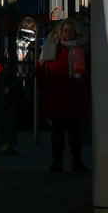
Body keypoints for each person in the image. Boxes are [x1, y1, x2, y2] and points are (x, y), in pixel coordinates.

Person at [36, 20, 90, 172]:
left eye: (70, 31)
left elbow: (88, 73)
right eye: (65, 30)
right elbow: (40, 70)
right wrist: (46, 89)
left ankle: (76, 161)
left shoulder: (82, 49)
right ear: (60, 32)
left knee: (75, 134)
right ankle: (57, 162)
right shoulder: (51, 49)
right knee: (58, 133)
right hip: (57, 96)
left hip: (74, 96)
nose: (68, 34)